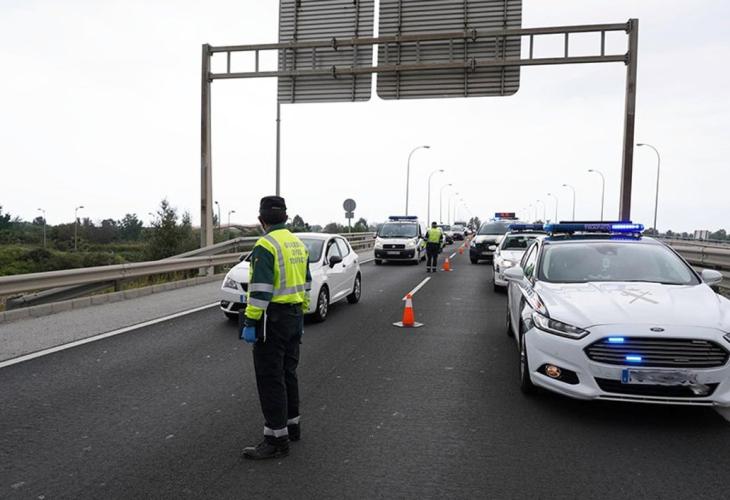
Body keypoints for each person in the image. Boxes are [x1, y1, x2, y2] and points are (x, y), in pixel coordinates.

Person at [240, 196, 312, 460]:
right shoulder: (298, 244)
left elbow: (260, 292)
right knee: (288, 373)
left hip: (272, 319)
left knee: (270, 378)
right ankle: (292, 426)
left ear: (261, 220)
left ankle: (276, 439)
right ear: (286, 218)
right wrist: (301, 315)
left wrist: (250, 322)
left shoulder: (265, 245)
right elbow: (307, 284)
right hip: (294, 316)